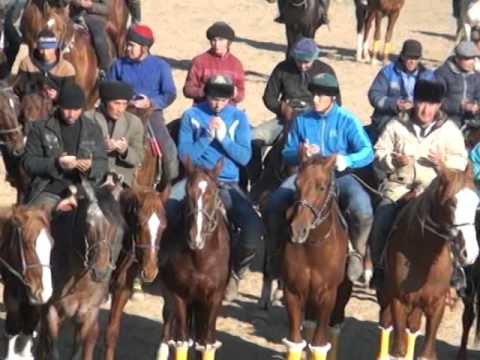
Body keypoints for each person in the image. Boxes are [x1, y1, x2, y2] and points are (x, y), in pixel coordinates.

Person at [262, 73, 374, 283]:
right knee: (274, 202)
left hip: (340, 176)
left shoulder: (347, 120)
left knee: (363, 209)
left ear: (332, 98)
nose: (314, 99)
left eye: (320, 95)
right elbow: (286, 151)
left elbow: (367, 151)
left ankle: (357, 253)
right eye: (314, 94)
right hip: (307, 176)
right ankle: (275, 254)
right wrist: (300, 153)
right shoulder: (302, 119)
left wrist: (347, 160)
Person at [168, 74, 264, 300]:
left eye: (222, 100)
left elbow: (244, 157)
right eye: (213, 99)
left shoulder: (239, 118)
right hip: (196, 179)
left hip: (226, 182)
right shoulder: (192, 115)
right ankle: (164, 264)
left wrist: (224, 139)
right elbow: (185, 155)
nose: (217, 104)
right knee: (168, 210)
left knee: (252, 227)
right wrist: (206, 138)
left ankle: (236, 273)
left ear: (230, 99)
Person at [371, 75, 468, 289]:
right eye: (422, 103)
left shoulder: (450, 130)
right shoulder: (396, 125)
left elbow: (461, 162)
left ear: (439, 105)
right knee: (382, 218)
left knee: (455, 221)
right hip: (400, 188)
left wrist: (442, 165)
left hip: (434, 192)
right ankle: (379, 267)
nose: (426, 110)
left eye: (432, 104)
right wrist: (392, 161)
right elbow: (379, 152)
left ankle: (457, 269)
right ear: (414, 102)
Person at [250, 37, 341, 180]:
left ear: (315, 58)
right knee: (253, 137)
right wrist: (282, 107)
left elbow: (337, 103)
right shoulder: (282, 68)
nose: (302, 66)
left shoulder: (326, 71)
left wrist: (318, 113)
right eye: (299, 61)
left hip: (315, 119)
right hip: (285, 118)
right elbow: (269, 97)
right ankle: (255, 178)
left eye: (307, 62)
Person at [107, 24, 179, 184]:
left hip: (151, 114)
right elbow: (107, 89)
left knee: (168, 149)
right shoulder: (118, 65)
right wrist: (124, 101)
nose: (127, 49)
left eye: (132, 46)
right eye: (127, 44)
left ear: (145, 48)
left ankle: (168, 186)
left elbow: (170, 93)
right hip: (122, 113)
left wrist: (151, 102)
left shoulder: (161, 66)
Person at [22, 82, 108, 211]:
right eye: (67, 109)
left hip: (85, 189)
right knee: (35, 223)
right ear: (59, 106)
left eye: (76, 109)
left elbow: (103, 162)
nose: (71, 114)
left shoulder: (92, 129)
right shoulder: (40, 128)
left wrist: (90, 166)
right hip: (49, 188)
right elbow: (28, 163)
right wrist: (57, 164)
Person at [367, 39, 427, 144]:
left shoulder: (427, 75)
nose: (412, 61)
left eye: (416, 58)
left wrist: (417, 106)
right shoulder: (388, 71)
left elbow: (434, 100)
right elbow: (374, 94)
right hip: (389, 116)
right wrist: (395, 104)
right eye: (409, 57)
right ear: (402, 56)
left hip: (417, 117)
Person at [85, 80, 144, 186]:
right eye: (116, 103)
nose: (120, 109)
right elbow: (77, 151)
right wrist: (101, 147)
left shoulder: (134, 122)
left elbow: (139, 158)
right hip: (92, 178)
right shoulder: (87, 119)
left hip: (122, 181)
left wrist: (125, 151)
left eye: (124, 104)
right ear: (105, 102)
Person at [183, 21, 245, 105]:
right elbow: (188, 90)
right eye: (213, 40)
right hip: (202, 109)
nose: (217, 44)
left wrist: (234, 93)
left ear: (228, 42)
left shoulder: (236, 64)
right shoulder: (199, 61)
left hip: (227, 111)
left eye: (221, 40)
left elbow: (241, 95)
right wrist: (204, 91)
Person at [13, 29, 76, 99]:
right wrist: (37, 92)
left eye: (49, 48)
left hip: (56, 107)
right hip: (32, 105)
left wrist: (57, 95)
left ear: (55, 48)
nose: (45, 53)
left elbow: (70, 96)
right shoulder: (27, 63)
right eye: (42, 49)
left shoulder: (67, 68)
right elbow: (18, 88)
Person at [435, 41, 480, 128]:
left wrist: (476, 105)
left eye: (473, 58)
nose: (471, 62)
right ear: (457, 58)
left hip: (471, 118)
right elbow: (437, 100)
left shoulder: (475, 76)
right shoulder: (442, 74)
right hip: (448, 118)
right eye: (467, 59)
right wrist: (460, 106)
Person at [70, 0, 112, 76]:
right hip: (73, 17)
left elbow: (107, 9)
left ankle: (105, 68)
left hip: (94, 18)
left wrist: (91, 5)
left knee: (99, 39)